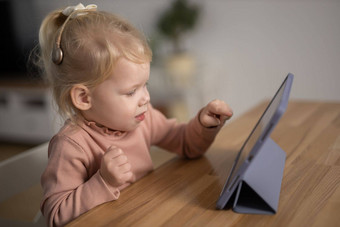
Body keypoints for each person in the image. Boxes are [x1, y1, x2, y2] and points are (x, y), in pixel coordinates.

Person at [37, 3, 233, 227]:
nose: (146, 98)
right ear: (83, 98)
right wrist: (103, 182)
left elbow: (186, 143)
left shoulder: (144, 118)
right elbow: (55, 217)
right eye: (131, 91)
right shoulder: (71, 146)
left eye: (144, 85)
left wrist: (203, 125)